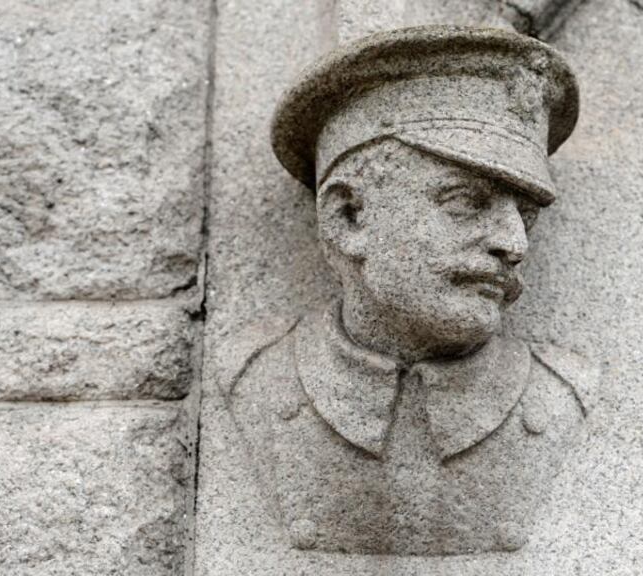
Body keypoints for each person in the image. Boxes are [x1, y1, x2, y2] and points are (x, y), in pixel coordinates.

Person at [226, 25, 596, 555]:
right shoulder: (251, 375)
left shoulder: (563, 395)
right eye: (465, 201)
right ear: (349, 217)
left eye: (526, 215)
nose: (514, 243)